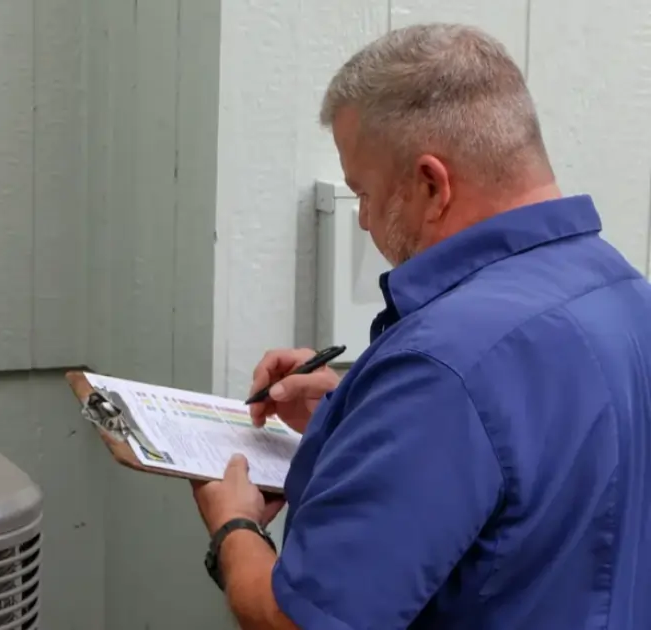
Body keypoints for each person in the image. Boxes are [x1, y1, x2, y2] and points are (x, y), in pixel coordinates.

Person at [191, 22, 651, 630]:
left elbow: (297, 620)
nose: (362, 222)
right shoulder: (626, 293)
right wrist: (357, 413)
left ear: (431, 185)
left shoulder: (443, 366)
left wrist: (234, 527)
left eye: (363, 193)